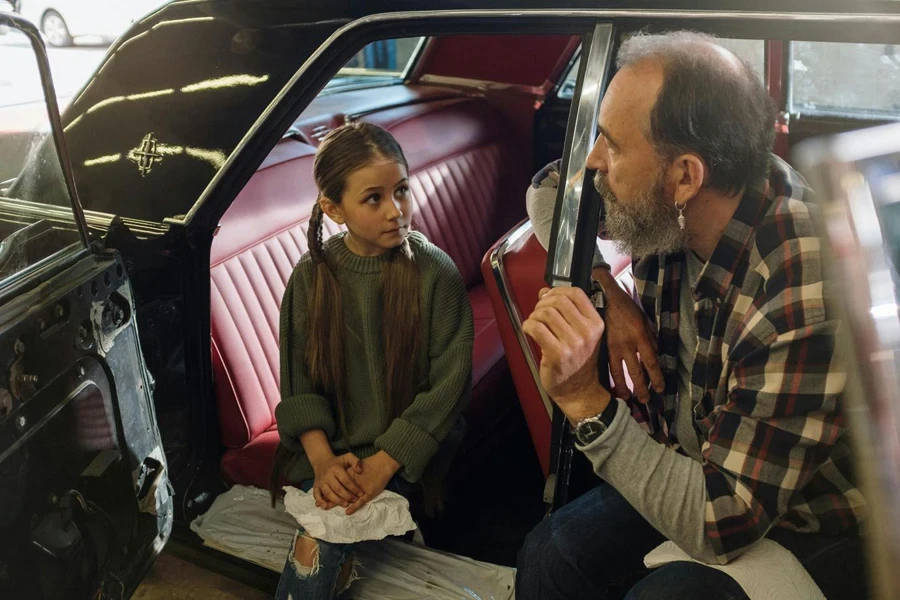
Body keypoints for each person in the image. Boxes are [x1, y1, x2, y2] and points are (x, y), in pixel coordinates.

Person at [517, 31, 867, 599]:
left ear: (684, 176)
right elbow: (550, 189)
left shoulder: (799, 274)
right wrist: (610, 293)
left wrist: (586, 403)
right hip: (697, 459)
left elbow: (722, 518)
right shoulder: (681, 197)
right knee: (550, 553)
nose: (592, 160)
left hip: (803, 515)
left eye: (611, 143)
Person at [271, 122, 473, 600]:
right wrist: (322, 461)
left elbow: (449, 385)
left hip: (407, 448)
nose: (395, 210)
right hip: (330, 448)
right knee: (318, 541)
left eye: (401, 190)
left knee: (328, 533)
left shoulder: (435, 273)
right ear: (333, 208)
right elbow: (298, 385)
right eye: (374, 198)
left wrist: (385, 462)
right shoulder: (311, 278)